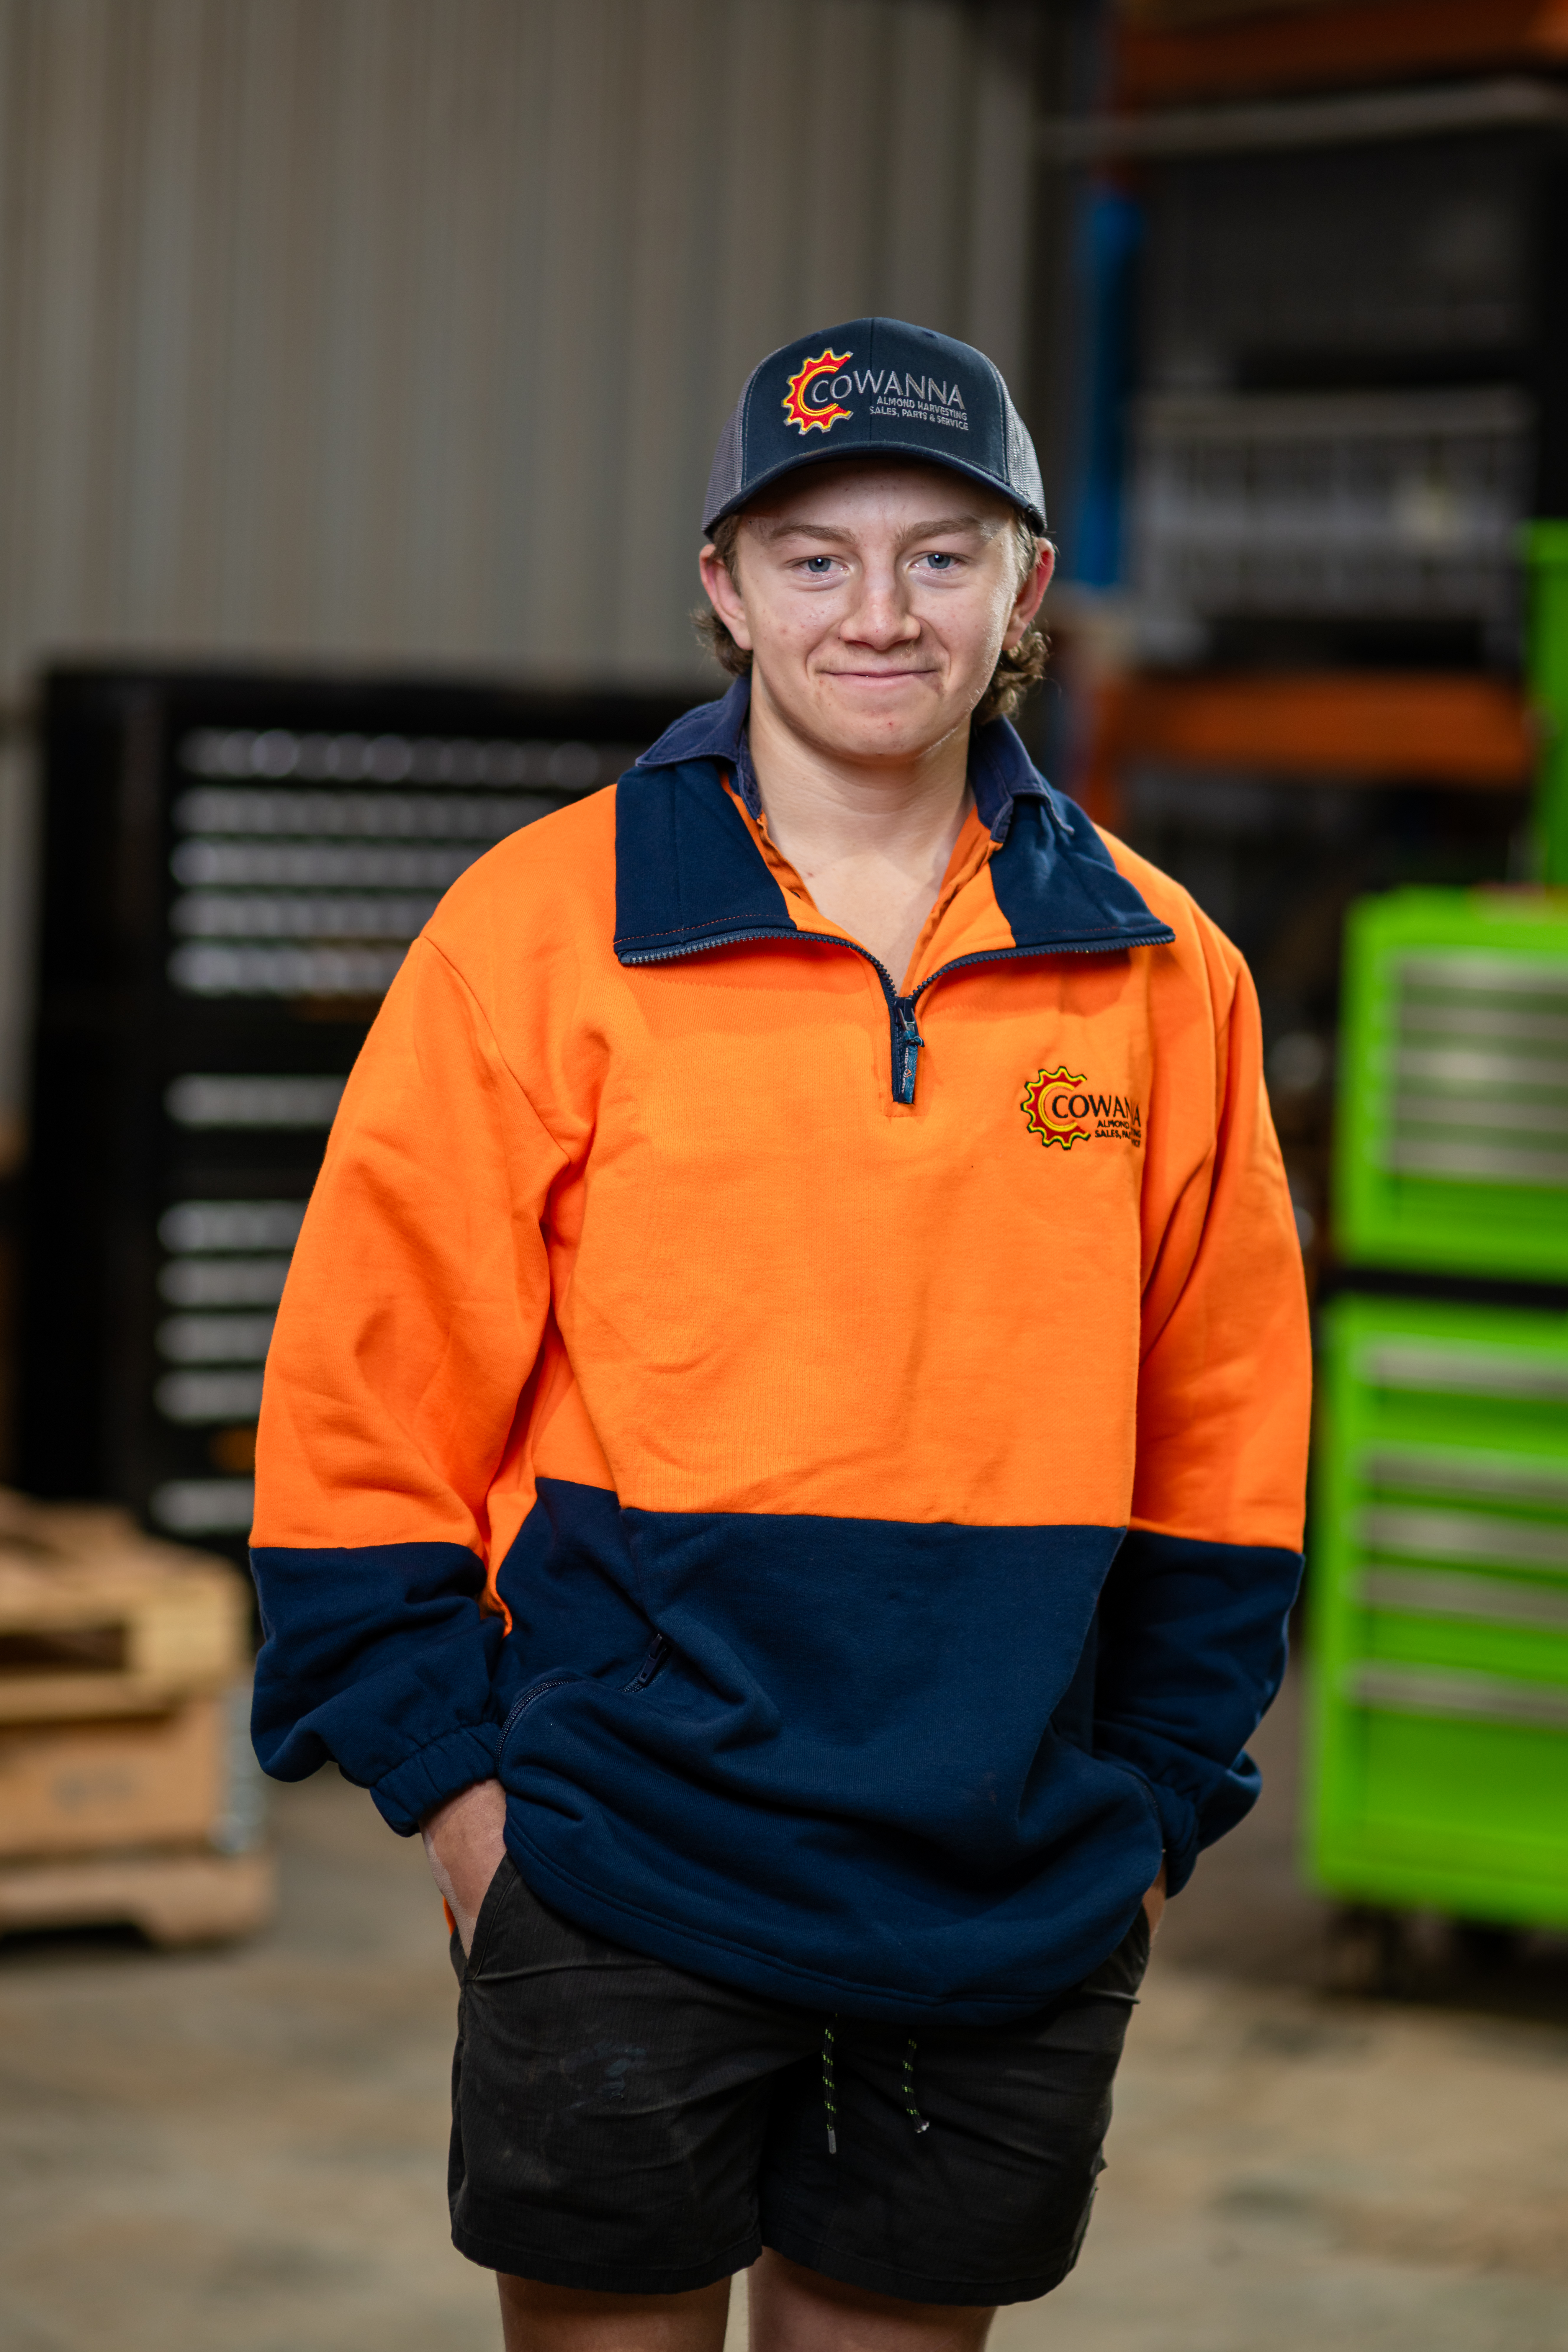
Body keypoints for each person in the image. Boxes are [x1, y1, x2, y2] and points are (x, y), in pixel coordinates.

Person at [250, 317, 1310, 2352]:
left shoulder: (1166, 974)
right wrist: (465, 1809)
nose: (879, 610)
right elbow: (359, 1402)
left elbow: (1227, 1434)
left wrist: (1155, 1809)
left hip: (1011, 1880)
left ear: (1023, 589)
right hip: (618, 1855)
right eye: (815, 555)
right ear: (722, 586)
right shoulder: (537, 933)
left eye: (939, 552)